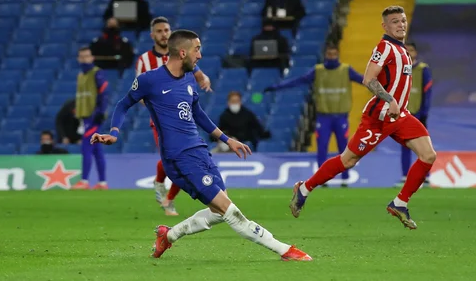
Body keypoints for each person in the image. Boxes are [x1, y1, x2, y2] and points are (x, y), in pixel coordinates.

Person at [91, 30, 311, 261]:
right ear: (183, 52)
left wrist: (227, 139)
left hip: (200, 151)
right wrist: (114, 133)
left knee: (218, 213)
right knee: (229, 210)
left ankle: (169, 235)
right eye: (197, 49)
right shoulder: (149, 80)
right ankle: (283, 249)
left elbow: (198, 114)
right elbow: (123, 104)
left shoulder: (188, 79)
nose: (200, 56)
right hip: (179, 158)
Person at [288, 6, 437, 230]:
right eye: (395, 21)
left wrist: (397, 105)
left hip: (400, 116)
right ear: (385, 26)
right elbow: (368, 79)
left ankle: (400, 203)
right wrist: (390, 99)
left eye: (403, 21)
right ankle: (304, 188)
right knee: (348, 160)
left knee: (428, 155)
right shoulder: (384, 47)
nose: (401, 25)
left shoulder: (404, 50)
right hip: (379, 116)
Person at [136, 17, 213, 216]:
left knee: (181, 159)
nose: (164, 34)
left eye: (166, 30)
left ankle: (168, 198)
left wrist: (204, 79)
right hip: (160, 121)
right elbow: (139, 93)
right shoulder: (145, 61)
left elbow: (197, 73)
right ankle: (161, 183)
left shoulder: (182, 55)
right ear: (153, 35)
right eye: (159, 31)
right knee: (174, 158)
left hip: (183, 118)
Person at [266, 44, 363, 186]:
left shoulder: (346, 70)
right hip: (324, 116)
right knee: (322, 147)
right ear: (325, 55)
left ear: (338, 55)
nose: (331, 57)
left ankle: (345, 178)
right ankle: (322, 179)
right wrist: (278, 87)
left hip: (341, 116)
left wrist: (383, 86)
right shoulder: (318, 71)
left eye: (334, 54)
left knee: (344, 148)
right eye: (329, 54)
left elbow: (364, 80)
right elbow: (298, 81)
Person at [73, 47, 110, 190]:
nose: (84, 59)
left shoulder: (97, 73)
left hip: (94, 117)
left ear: (92, 58)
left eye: (87, 56)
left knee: (86, 146)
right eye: (82, 57)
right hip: (85, 117)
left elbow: (104, 92)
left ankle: (84, 181)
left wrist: (100, 112)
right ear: (78, 59)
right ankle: (102, 183)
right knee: (96, 149)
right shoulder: (80, 76)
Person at [398, 42, 432, 187]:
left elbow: (427, 92)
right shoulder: (399, 69)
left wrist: (424, 113)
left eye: (411, 50)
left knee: (422, 147)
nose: (409, 53)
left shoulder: (423, 69)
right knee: (404, 146)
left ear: (416, 53)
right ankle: (405, 176)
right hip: (403, 115)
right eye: (406, 50)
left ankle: (426, 177)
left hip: (418, 114)